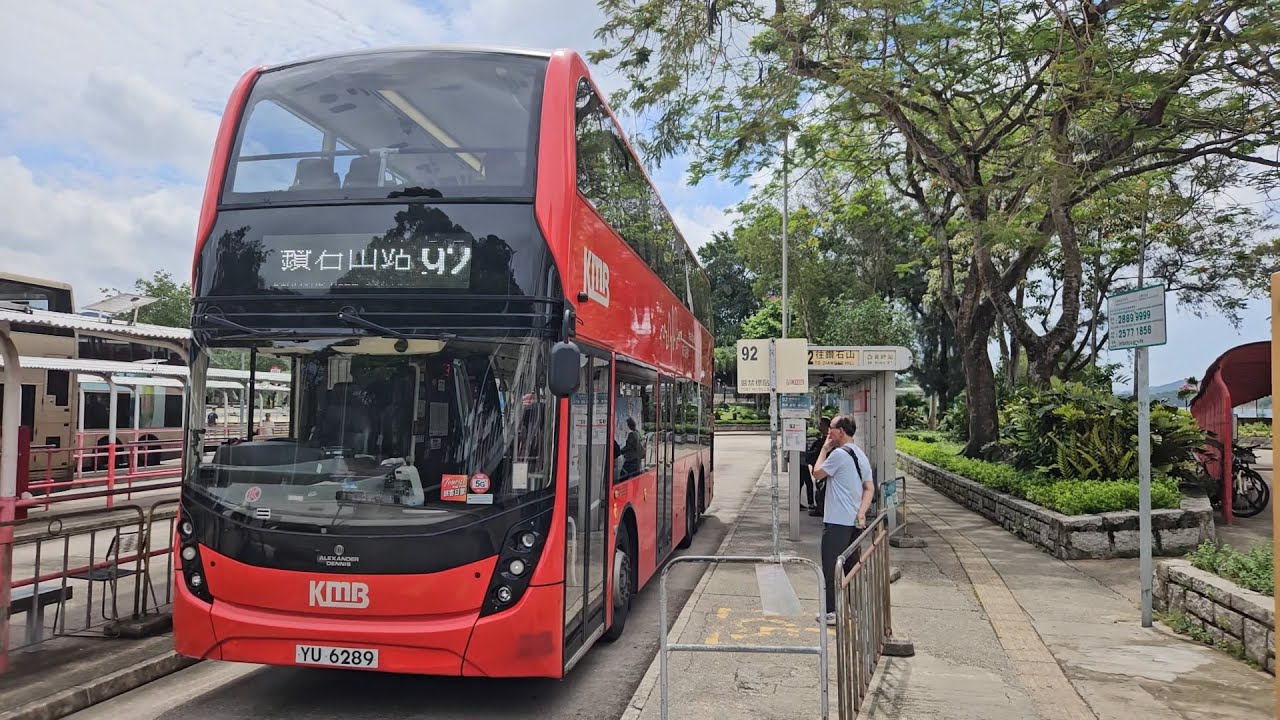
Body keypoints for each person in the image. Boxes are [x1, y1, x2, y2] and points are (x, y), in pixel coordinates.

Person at [810, 414, 874, 626]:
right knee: (850, 567)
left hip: (837, 522)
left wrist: (824, 450)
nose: (829, 431)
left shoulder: (837, 454)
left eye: (832, 428)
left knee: (830, 568)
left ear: (842, 431)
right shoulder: (860, 454)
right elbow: (869, 488)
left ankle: (832, 612)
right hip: (854, 523)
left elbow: (817, 474)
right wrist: (862, 512)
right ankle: (855, 609)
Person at [802, 417, 831, 515]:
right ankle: (819, 507)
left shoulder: (828, 440)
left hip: (824, 467)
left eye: (821, 424)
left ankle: (821, 509)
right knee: (818, 487)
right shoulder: (821, 438)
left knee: (822, 488)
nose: (819, 426)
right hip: (818, 466)